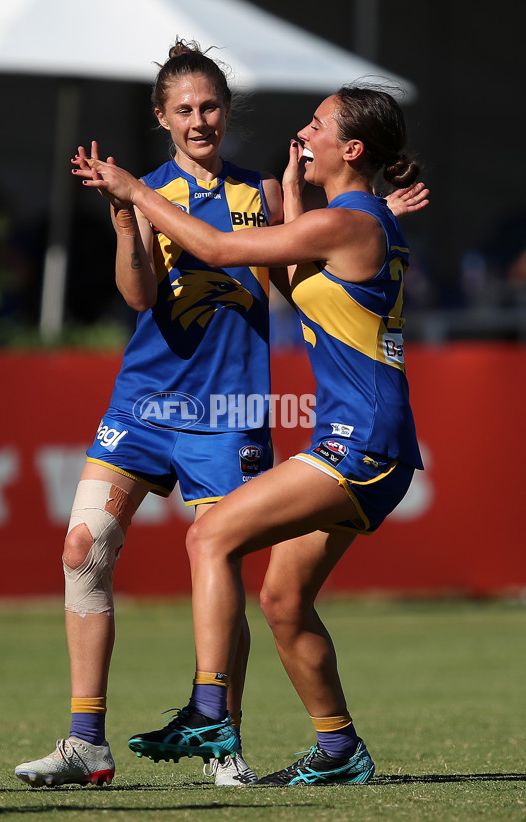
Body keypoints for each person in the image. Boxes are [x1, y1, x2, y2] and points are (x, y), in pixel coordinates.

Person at [71, 81, 425, 786]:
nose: (304, 132)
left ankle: (210, 711)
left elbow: (216, 246)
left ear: (351, 149)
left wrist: (136, 191)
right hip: (375, 446)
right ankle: (338, 749)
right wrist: (293, 195)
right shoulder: (354, 222)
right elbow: (295, 283)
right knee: (284, 602)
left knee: (210, 536)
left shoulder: (351, 221)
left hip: (359, 445)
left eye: (317, 125)